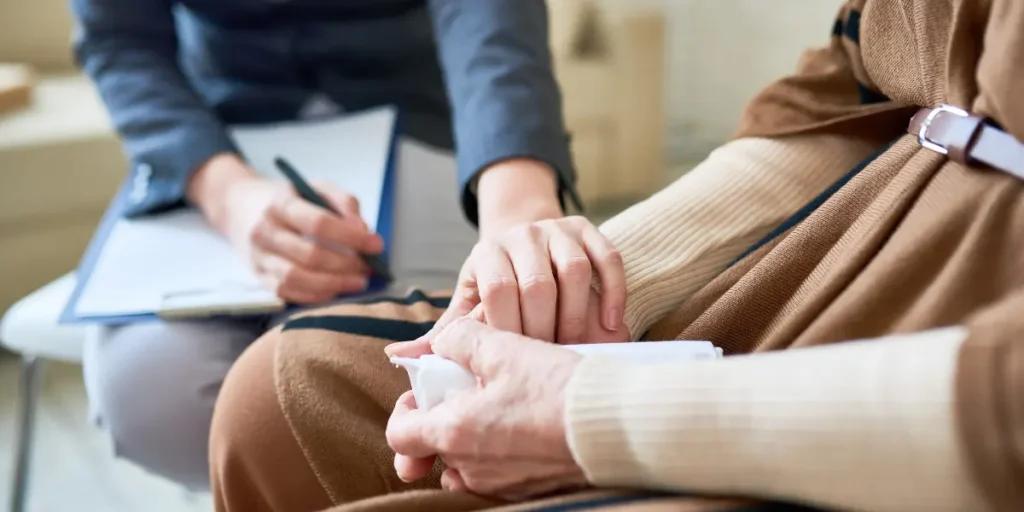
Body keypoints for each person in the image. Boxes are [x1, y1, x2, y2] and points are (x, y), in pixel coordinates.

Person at [209, 0, 1024, 511]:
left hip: (966, 396)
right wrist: (591, 282)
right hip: (833, 248)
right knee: (276, 395)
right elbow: (853, 88)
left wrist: (593, 417)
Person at [71, 0, 626, 490]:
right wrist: (228, 196)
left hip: (424, 119)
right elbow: (119, 38)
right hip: (214, 141)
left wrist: (517, 203)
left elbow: (488, 17)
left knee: (398, 389)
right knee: (149, 402)